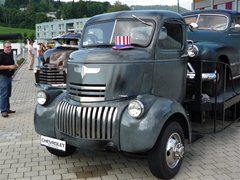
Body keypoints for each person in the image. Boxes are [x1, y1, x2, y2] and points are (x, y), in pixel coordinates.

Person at [0, 41, 18, 118]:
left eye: (10, 47)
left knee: (7, 94)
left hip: (9, 77)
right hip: (3, 77)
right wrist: (9, 67)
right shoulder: (1, 55)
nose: (9, 48)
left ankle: (7, 109)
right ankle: (3, 110)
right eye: (7, 47)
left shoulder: (10, 55)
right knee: (3, 94)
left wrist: (14, 66)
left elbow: (11, 64)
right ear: (4, 47)